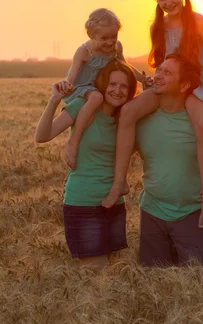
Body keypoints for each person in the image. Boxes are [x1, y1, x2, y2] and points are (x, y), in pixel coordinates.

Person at [102, 0, 203, 230]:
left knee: (202, 125)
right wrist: (153, 81)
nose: (168, 2)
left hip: (199, 86)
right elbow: (160, 60)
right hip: (169, 82)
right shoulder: (158, 26)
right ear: (156, 0)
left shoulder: (199, 22)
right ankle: (119, 180)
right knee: (129, 111)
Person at [134, 55, 203, 268]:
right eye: (159, 70)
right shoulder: (143, 118)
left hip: (193, 216)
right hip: (152, 214)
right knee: (153, 287)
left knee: (199, 288)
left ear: (184, 85)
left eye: (167, 73)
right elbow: (113, 151)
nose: (158, 75)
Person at [35, 59, 138, 271]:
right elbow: (43, 136)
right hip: (83, 203)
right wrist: (54, 100)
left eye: (124, 86)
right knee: (96, 271)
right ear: (102, 84)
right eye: (112, 84)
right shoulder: (83, 107)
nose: (117, 91)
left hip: (115, 204)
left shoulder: (127, 119)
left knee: (116, 270)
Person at [60, 8, 151, 170]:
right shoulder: (83, 51)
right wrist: (64, 88)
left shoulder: (116, 47)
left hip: (100, 88)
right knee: (96, 98)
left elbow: (126, 67)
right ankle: (74, 141)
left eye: (114, 36)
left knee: (123, 107)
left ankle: (118, 166)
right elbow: (71, 78)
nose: (110, 42)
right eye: (104, 38)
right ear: (91, 36)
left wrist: (143, 79)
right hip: (82, 88)